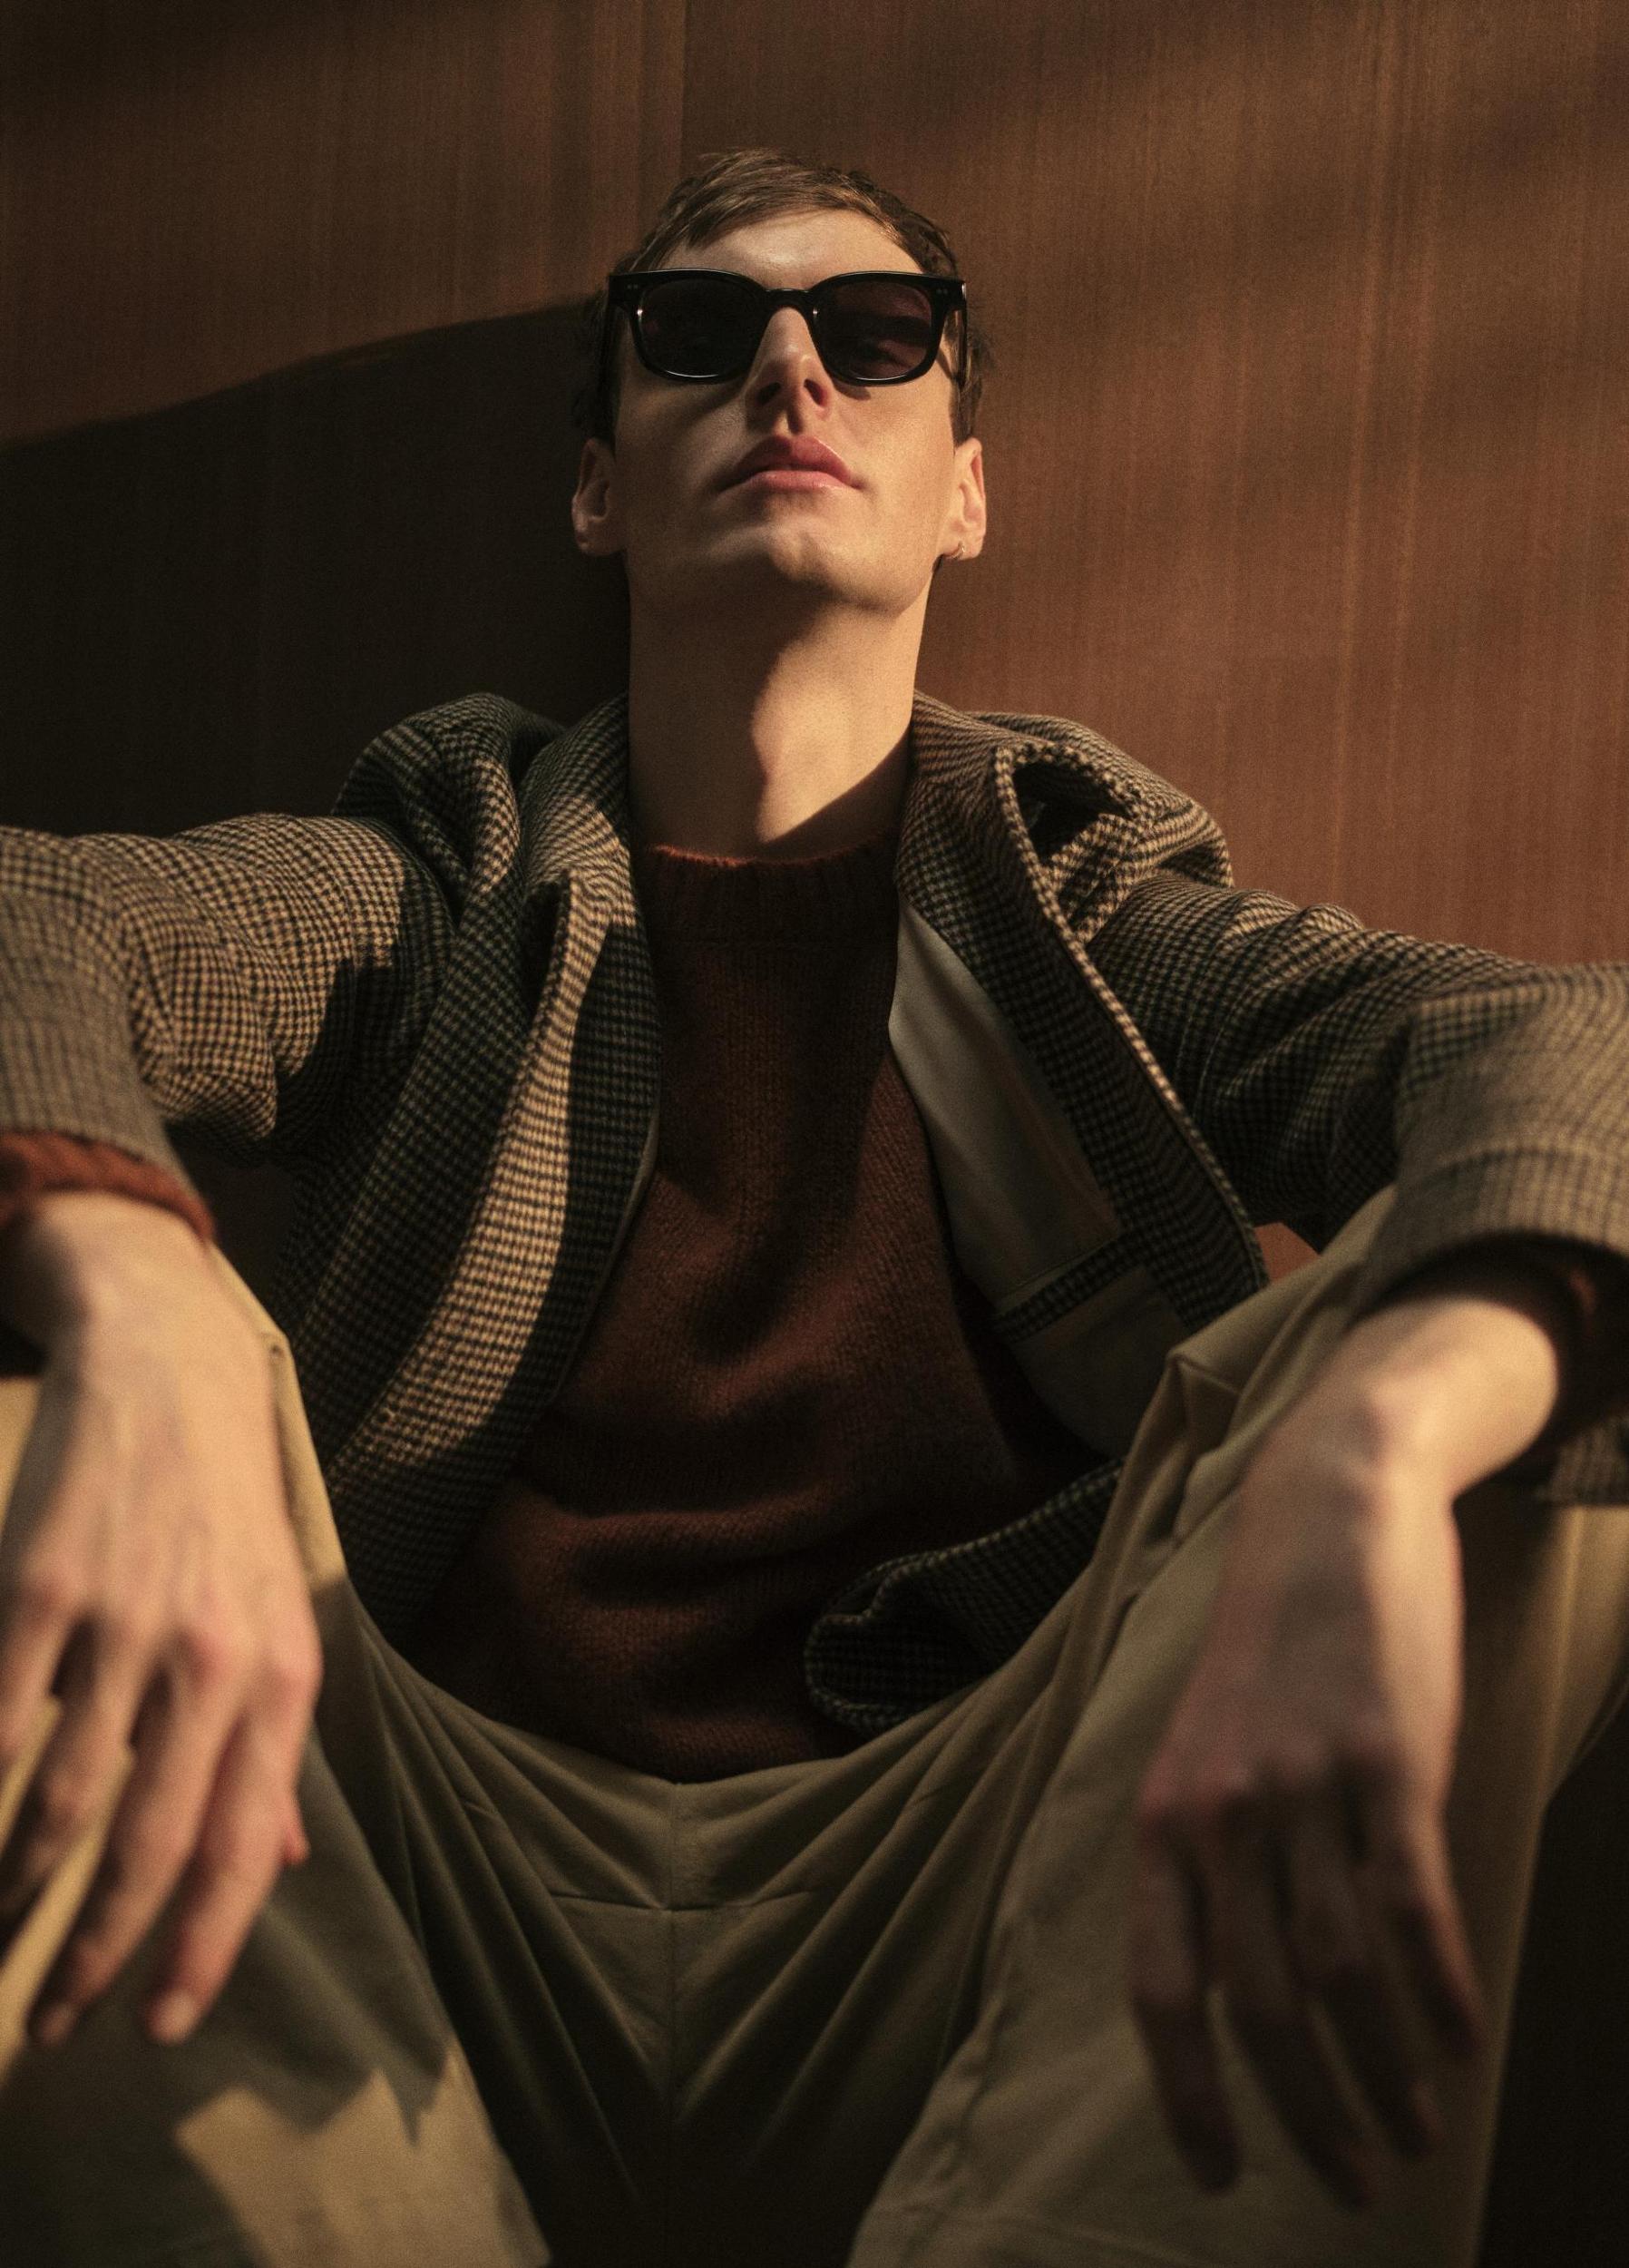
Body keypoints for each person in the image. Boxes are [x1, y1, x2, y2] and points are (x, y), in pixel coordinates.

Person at [1, 144, 1627, 2268]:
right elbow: (28, 912)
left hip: (969, 1903)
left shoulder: (1083, 921)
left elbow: (1570, 1046)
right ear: (599, 489)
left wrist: (1371, 1441)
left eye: (873, 337)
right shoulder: (441, 887)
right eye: (698, 333)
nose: (788, 371)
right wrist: (139, 1295)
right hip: (413, 1902)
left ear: (965, 488)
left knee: (1516, 1379)